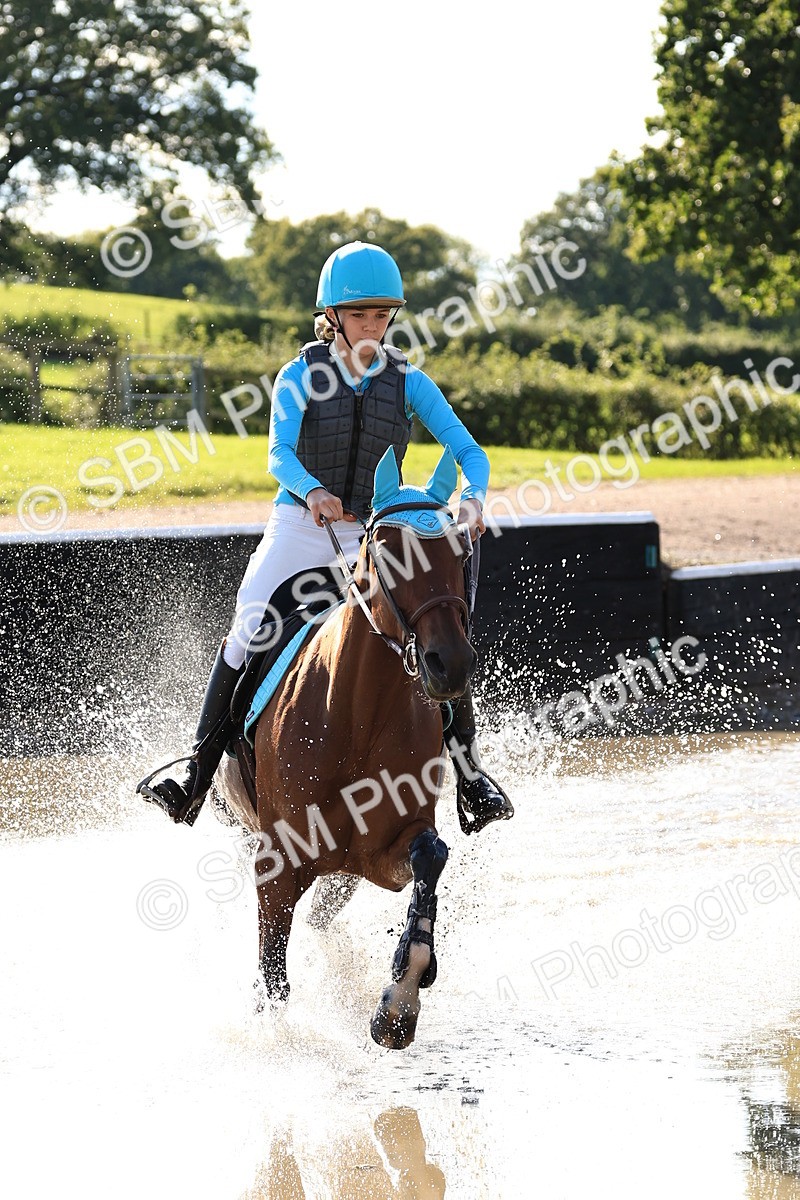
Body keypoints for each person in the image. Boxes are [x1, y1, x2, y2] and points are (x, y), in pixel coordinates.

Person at [139, 241, 514, 834]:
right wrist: (313, 491)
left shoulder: (408, 381)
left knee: (437, 623)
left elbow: (468, 450)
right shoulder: (299, 376)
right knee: (250, 625)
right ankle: (196, 775)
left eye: (384, 315)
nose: (375, 326)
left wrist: (473, 497)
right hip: (302, 526)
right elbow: (278, 453)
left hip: (373, 536)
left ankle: (470, 779)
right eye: (363, 315)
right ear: (333, 316)